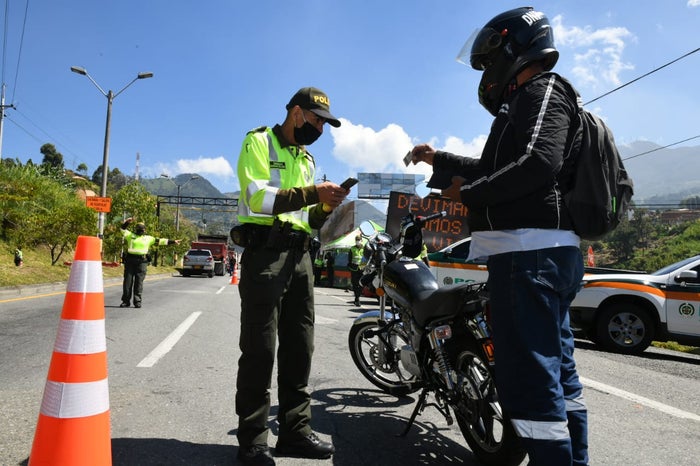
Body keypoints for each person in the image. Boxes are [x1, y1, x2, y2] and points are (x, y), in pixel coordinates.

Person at [410, 7, 588, 465]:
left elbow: (536, 162)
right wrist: (438, 159)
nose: (487, 71)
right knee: (556, 377)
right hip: (538, 255)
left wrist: (468, 195)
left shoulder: (543, 89)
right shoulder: (527, 99)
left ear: (514, 48)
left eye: (489, 59)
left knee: (530, 385)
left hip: (530, 256)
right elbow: (495, 168)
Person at [234, 86, 348, 466]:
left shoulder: (307, 159)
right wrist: (313, 193)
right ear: (296, 113)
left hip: (300, 258)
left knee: (300, 348)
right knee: (260, 349)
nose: (321, 129)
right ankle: (253, 441)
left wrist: (326, 207)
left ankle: (295, 433)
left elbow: (307, 219)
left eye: (325, 124)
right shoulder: (259, 142)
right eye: (317, 120)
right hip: (266, 255)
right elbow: (258, 199)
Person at [119, 218, 180, 308]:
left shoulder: (148, 238)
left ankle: (137, 301)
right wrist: (127, 222)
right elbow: (122, 230)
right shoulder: (130, 235)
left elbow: (160, 241)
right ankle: (126, 301)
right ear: (136, 229)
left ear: (145, 230)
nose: (141, 231)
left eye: (142, 229)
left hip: (142, 262)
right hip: (130, 261)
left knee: (139, 282)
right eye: (139, 229)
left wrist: (173, 241)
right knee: (128, 282)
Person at [348, 234, 365, 306]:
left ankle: (357, 297)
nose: (358, 241)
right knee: (355, 284)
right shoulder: (352, 248)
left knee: (361, 284)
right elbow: (349, 259)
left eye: (359, 240)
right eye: (356, 240)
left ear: (361, 240)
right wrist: (349, 266)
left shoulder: (365, 249)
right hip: (354, 268)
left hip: (362, 268)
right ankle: (357, 298)